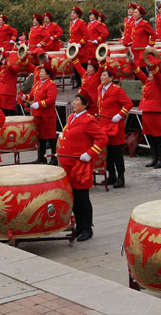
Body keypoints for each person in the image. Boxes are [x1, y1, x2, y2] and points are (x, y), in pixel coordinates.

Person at [57, 93, 107, 242]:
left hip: (79, 166)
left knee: (82, 197)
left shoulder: (88, 120)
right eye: (74, 100)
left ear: (85, 105)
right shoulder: (72, 117)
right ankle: (78, 226)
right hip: (67, 165)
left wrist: (90, 153)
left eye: (78, 101)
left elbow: (102, 138)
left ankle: (87, 228)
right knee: (73, 197)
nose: (74, 103)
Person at [97, 65, 133, 188]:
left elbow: (128, 104)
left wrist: (119, 115)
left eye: (104, 75)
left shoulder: (117, 90)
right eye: (101, 75)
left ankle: (121, 177)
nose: (102, 77)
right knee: (108, 153)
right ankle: (111, 175)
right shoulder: (100, 88)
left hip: (115, 126)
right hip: (103, 125)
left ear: (111, 78)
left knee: (116, 152)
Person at [134, 48, 161, 168]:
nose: (150, 74)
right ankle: (154, 158)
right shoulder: (148, 82)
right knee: (149, 136)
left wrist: (153, 65)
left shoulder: (160, 84)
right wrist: (132, 62)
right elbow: (139, 73)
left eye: (151, 73)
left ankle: (160, 159)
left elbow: (157, 75)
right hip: (146, 111)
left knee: (158, 137)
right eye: (149, 73)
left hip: (155, 112)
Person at [25, 65, 59, 164]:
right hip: (38, 114)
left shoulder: (51, 84)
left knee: (51, 137)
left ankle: (54, 157)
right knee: (41, 138)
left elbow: (51, 99)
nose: (40, 74)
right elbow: (31, 95)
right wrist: (24, 96)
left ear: (48, 74)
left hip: (47, 115)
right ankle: (41, 157)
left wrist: (39, 104)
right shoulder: (38, 83)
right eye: (40, 72)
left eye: (43, 72)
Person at [129, 4, 156, 68]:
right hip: (134, 50)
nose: (134, 14)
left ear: (141, 15)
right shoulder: (132, 24)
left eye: (136, 12)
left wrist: (150, 45)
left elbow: (153, 34)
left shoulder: (144, 23)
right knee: (135, 69)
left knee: (142, 67)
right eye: (134, 12)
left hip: (142, 50)